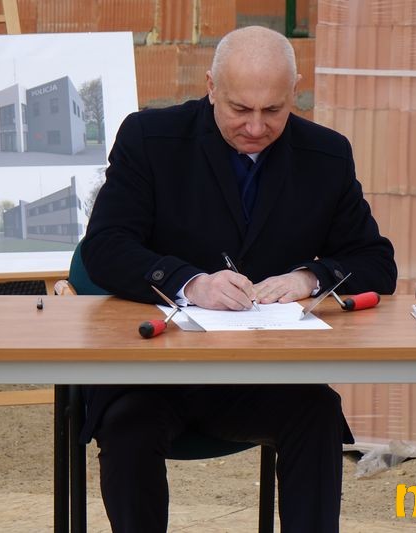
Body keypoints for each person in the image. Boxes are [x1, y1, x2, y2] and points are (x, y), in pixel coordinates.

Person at [80, 25, 397, 532]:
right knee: (127, 428)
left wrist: (311, 277)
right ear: (211, 87)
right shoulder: (150, 138)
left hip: (259, 375)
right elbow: (105, 246)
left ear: (295, 92)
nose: (255, 126)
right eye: (239, 108)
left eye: (273, 110)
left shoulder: (327, 155)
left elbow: (377, 262)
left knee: (318, 411)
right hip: (153, 374)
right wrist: (190, 283)